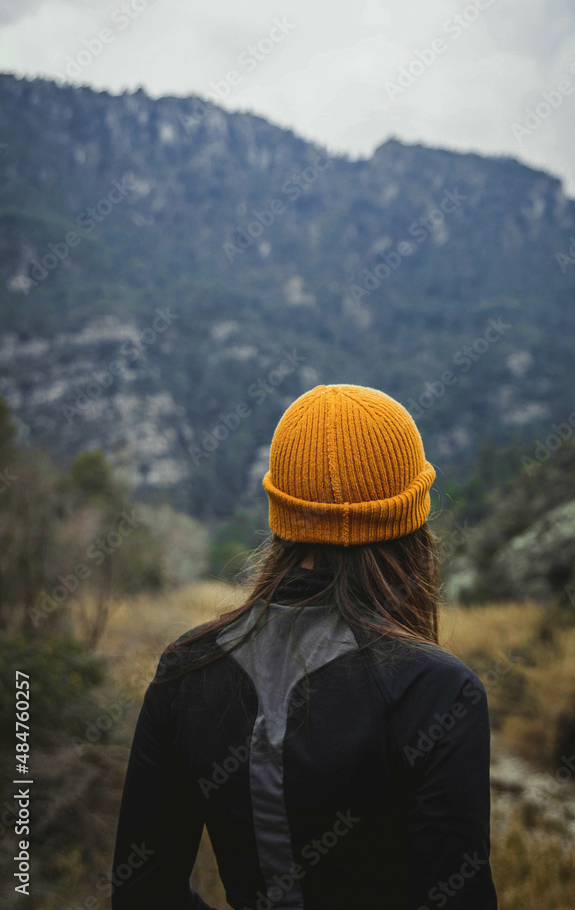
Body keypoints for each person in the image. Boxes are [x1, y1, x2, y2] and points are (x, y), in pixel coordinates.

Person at [111, 383, 498, 909]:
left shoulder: (187, 667)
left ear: (281, 518)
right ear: (413, 524)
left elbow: (141, 893)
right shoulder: (440, 690)